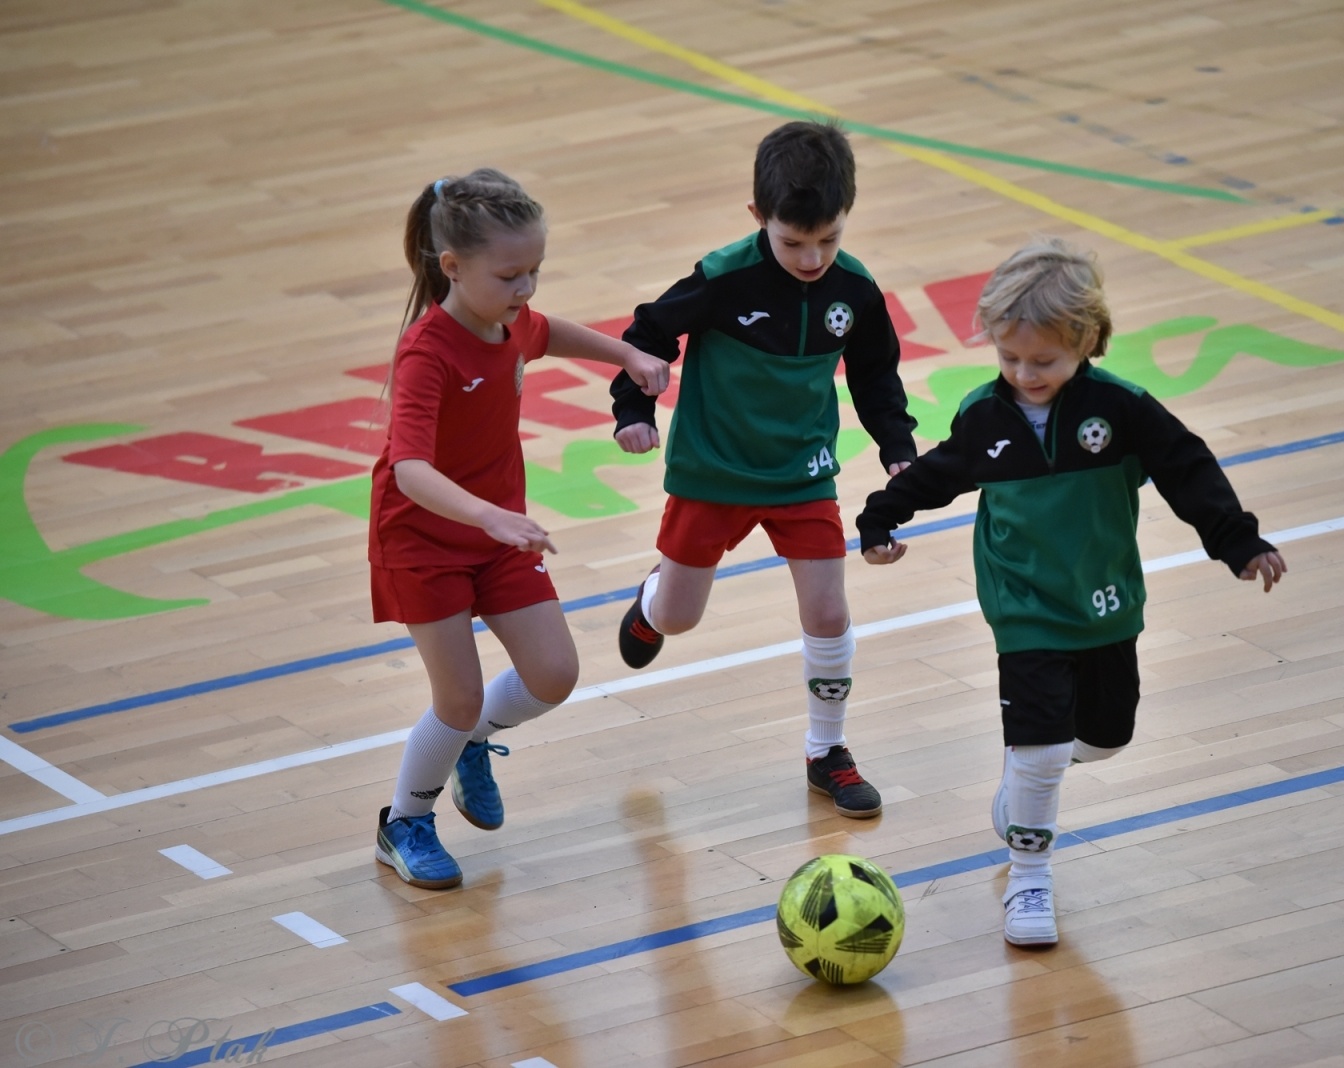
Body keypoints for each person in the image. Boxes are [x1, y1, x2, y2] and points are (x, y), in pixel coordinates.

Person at [855, 237, 1286, 944]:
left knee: (1108, 735)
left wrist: (1236, 540)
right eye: (1009, 358)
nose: (1023, 374)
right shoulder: (985, 415)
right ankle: (1029, 878)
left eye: (1043, 361)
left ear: (1086, 341)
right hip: (1022, 604)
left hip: (1103, 599)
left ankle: (1032, 775)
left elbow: (1187, 468)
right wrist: (879, 518)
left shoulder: (1122, 409)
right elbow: (938, 473)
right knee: (1043, 745)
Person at [370, 168, 670, 889]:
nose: (526, 288)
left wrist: (627, 354)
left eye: (536, 270)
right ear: (452, 267)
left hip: (499, 535)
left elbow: (546, 332)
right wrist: (488, 514)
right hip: (424, 542)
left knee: (554, 675)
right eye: (510, 276)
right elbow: (409, 470)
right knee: (458, 697)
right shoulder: (427, 353)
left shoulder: (506, 319)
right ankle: (404, 822)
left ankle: (470, 744)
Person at [609, 121, 917, 819]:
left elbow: (875, 375)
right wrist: (634, 409)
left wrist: (897, 446)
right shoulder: (723, 278)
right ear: (758, 217)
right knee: (680, 617)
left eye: (828, 240)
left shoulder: (856, 290)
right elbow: (647, 335)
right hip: (712, 471)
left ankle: (826, 751)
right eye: (793, 242)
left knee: (829, 611)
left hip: (802, 473)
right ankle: (654, 600)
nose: (813, 258)